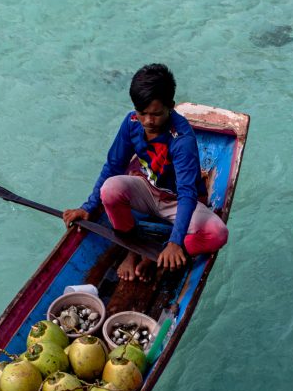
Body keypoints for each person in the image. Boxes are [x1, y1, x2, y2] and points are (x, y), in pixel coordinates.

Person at [62, 63, 229, 280]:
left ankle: (156, 255)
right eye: (142, 113)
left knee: (218, 234)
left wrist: (175, 243)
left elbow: (187, 193)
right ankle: (133, 250)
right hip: (147, 189)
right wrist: (88, 207)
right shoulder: (132, 123)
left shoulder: (182, 139)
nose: (148, 121)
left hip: (177, 201)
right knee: (110, 189)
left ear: (171, 106)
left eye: (156, 114)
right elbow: (113, 165)